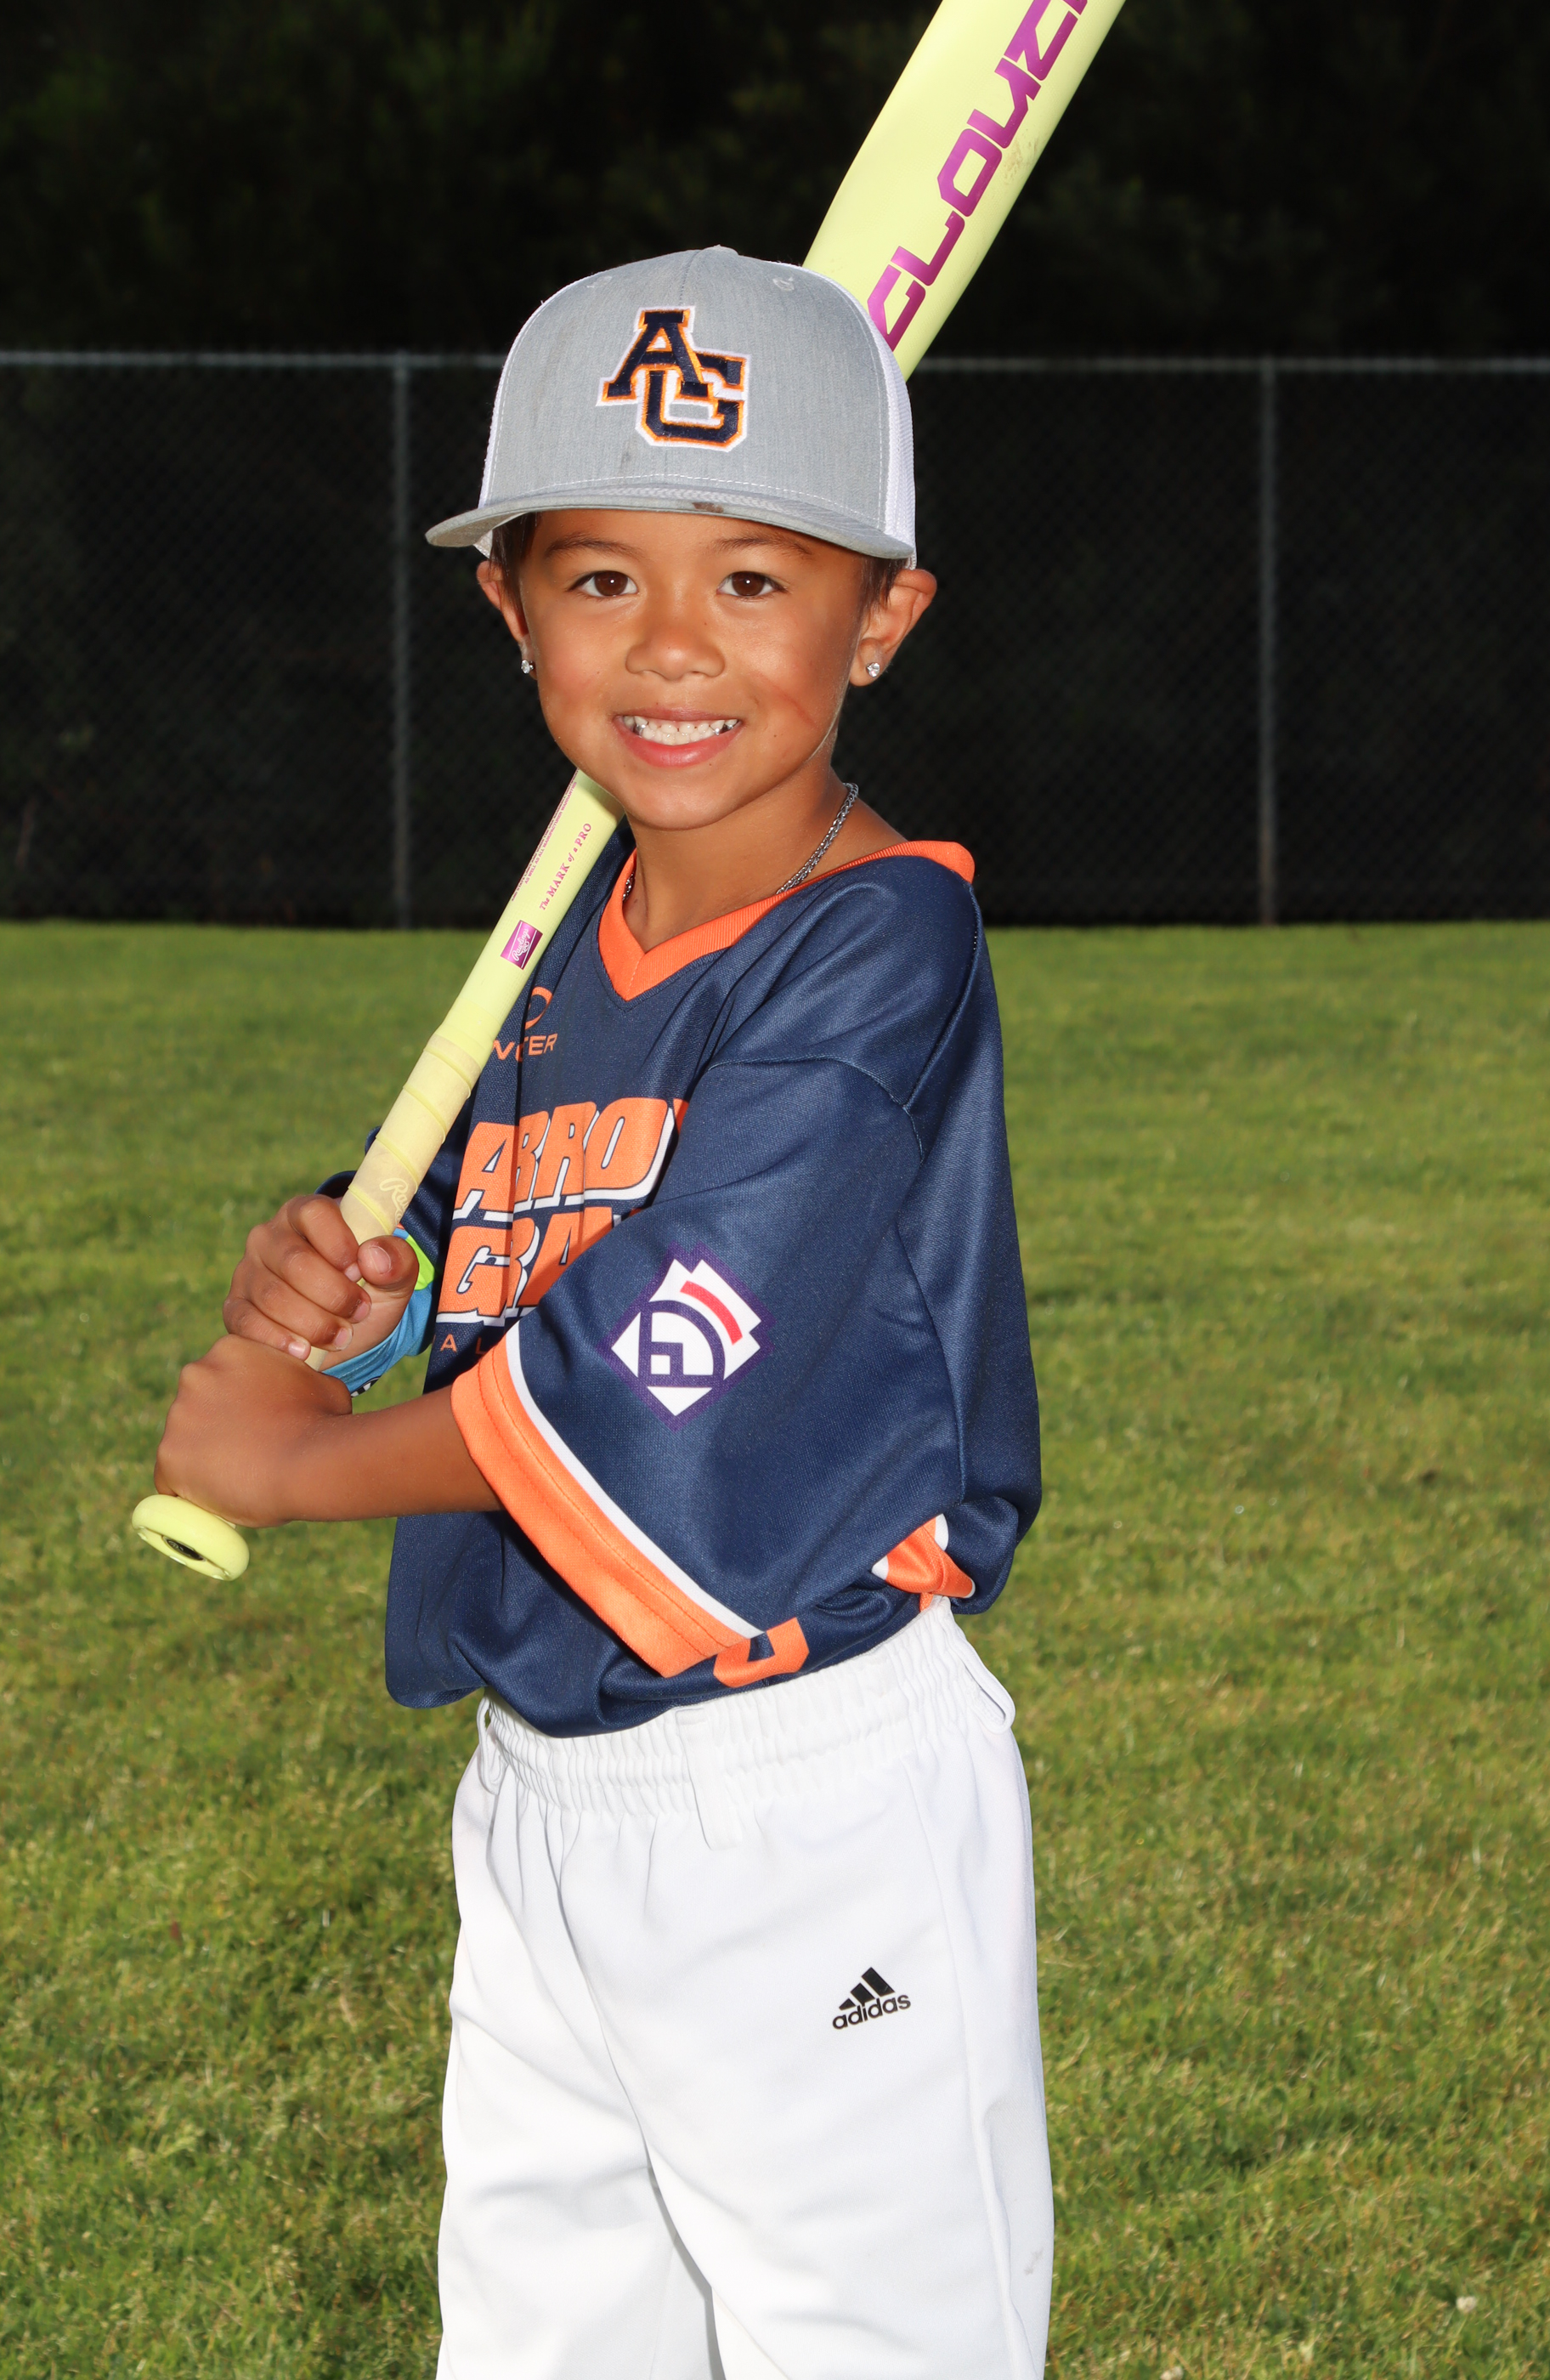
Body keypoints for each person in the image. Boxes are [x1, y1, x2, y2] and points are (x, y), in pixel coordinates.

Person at [156, 246, 1050, 2379]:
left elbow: (648, 1362)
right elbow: (484, 1250)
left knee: (868, 2341)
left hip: (799, 1782)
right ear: (511, 606)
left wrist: (295, 1464)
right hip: (548, 1781)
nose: (668, 644)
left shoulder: (880, 947)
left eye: (753, 578)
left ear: (879, 618)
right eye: (597, 577)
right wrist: (355, 1295)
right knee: (552, 2337)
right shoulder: (565, 944)